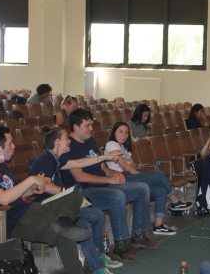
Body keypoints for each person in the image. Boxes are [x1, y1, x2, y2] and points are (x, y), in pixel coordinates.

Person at [0, 125, 91, 274]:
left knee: (74, 193)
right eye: (10, 143)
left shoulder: (1, 166)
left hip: (30, 210)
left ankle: (65, 220)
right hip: (14, 220)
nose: (13, 147)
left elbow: (16, 193)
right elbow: (3, 199)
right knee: (65, 234)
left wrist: (32, 189)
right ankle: (66, 231)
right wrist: (30, 180)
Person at [59, 108, 158, 262]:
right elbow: (80, 177)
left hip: (102, 185)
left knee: (142, 189)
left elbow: (102, 168)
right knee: (117, 196)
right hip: (84, 191)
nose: (91, 128)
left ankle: (138, 236)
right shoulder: (69, 146)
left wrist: (114, 174)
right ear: (76, 126)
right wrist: (109, 180)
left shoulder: (90, 140)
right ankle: (120, 246)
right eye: (87, 125)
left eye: (92, 125)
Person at [29, 126, 123, 274]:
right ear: (57, 142)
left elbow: (79, 163)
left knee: (97, 215)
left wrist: (104, 158)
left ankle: (100, 256)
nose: (69, 141)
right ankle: (97, 267)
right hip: (50, 208)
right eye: (66, 138)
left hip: (62, 204)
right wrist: (67, 192)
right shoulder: (45, 160)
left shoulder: (55, 159)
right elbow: (44, 187)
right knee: (84, 225)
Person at [104, 121, 193, 235]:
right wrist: (138, 174)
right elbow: (123, 165)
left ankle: (159, 226)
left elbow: (132, 164)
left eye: (126, 132)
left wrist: (139, 167)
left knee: (161, 191)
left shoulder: (124, 148)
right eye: (120, 131)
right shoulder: (112, 144)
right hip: (122, 179)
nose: (124, 135)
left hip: (131, 176)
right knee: (159, 174)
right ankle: (176, 202)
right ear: (114, 133)